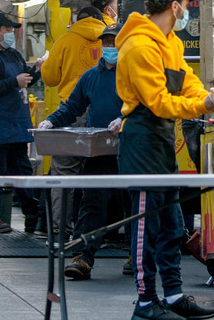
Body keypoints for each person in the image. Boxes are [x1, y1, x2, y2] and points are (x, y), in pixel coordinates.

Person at [116, 0, 214, 320]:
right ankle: (144, 303)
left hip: (162, 139)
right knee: (144, 226)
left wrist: (208, 96)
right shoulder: (139, 46)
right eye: (186, 3)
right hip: (140, 138)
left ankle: (173, 295)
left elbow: (187, 83)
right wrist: (203, 107)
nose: (188, 9)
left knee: (170, 223)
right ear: (173, 6)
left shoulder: (172, 43)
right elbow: (158, 103)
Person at [37, 23, 127, 280]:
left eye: (114, 42)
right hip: (100, 150)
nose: (109, 47)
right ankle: (82, 256)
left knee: (132, 203)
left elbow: (145, 104)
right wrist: (52, 121)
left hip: (130, 149)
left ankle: (136, 256)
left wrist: (125, 119)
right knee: (92, 202)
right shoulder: (90, 76)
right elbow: (72, 106)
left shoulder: (133, 73)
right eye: (106, 42)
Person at [0, 12, 42, 234]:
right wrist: (14, 81)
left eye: (12, 30)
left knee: (22, 168)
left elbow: (25, 81)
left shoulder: (13, 54)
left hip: (17, 118)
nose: (11, 34)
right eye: (7, 30)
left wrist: (35, 72)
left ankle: (32, 214)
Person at [40, 5, 106, 234]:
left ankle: (61, 230)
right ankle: (104, 231)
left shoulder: (65, 41)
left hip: (72, 113)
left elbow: (49, 78)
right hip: (105, 116)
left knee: (64, 172)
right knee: (105, 173)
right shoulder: (110, 40)